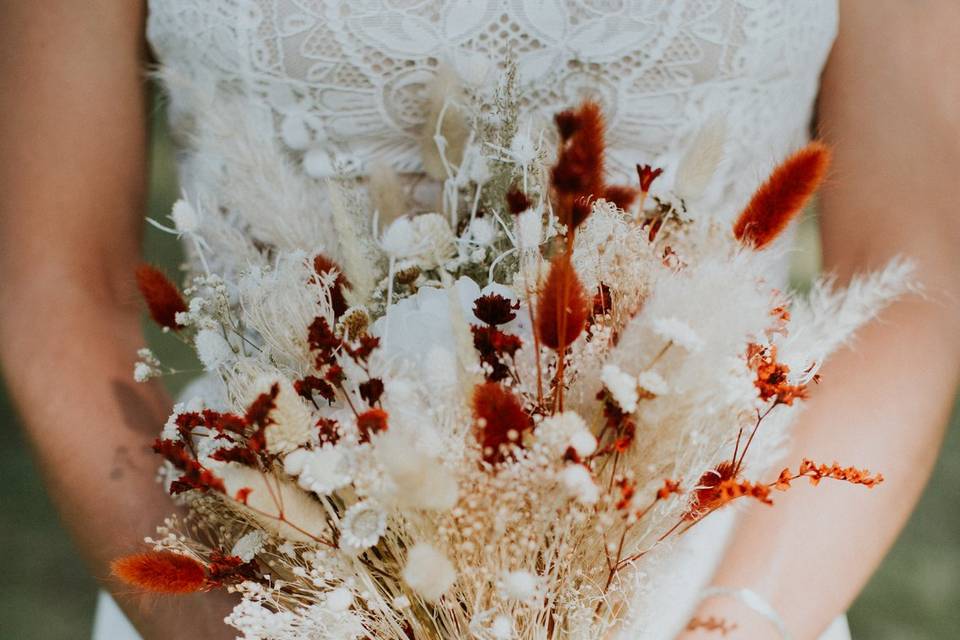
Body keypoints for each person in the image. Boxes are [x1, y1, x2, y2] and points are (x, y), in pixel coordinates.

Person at [0, 2, 957, 639]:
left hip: (726, 577)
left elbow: (911, 277)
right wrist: (251, 620)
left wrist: (741, 619)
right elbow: (55, 278)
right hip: (264, 563)